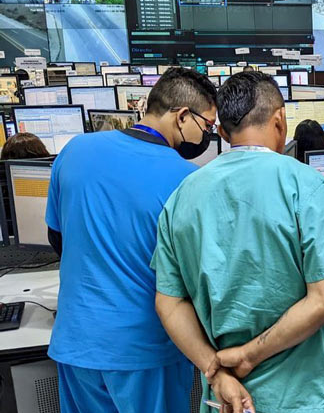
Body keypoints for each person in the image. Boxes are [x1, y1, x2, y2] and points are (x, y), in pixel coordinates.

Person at [152, 71, 324, 413]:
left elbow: (169, 303)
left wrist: (216, 370)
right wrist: (248, 356)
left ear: (222, 132)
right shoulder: (306, 186)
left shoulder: (181, 198)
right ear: (280, 120)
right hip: (306, 398)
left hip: (226, 398)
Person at [45, 67, 218, 413]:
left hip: (77, 342)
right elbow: (197, 276)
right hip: (145, 352)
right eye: (207, 127)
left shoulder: (75, 150)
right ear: (182, 116)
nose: (207, 137)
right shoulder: (189, 180)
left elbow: (57, 239)